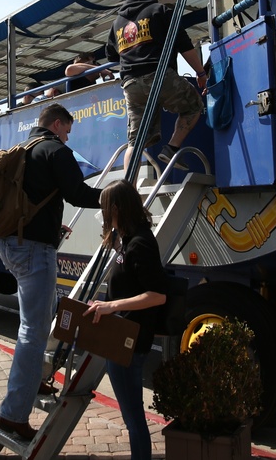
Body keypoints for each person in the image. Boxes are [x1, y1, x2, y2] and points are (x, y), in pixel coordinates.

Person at [0, 103, 102, 441]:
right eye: (67, 129)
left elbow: (32, 199)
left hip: (10, 243)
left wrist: (52, 224)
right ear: (57, 125)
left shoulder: (23, 150)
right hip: (34, 250)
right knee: (33, 332)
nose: (68, 136)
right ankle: (14, 415)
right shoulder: (56, 150)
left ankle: (27, 389)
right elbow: (79, 194)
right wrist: (114, 195)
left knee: (39, 322)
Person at [84, 180, 168, 460]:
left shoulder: (141, 242)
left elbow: (157, 295)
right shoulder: (128, 239)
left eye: (105, 209)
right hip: (120, 337)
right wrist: (104, 305)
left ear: (117, 209)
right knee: (132, 415)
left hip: (129, 342)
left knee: (134, 417)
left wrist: (111, 306)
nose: (103, 215)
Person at [105, 0, 207, 171]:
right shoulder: (161, 11)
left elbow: (111, 55)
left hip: (130, 84)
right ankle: (171, 148)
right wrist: (201, 73)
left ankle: (129, 190)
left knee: (135, 141)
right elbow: (185, 46)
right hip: (159, 76)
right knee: (193, 106)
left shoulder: (117, 23)